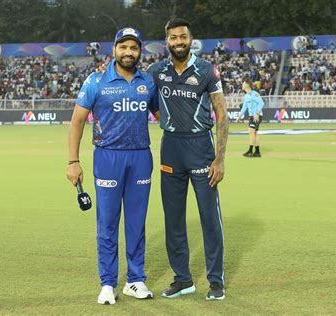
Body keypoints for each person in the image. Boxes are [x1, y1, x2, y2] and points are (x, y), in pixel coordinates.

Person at [66, 27, 159, 305]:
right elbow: (78, 122)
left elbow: (162, 115)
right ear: (114, 49)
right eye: (123, 47)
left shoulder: (148, 82)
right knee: (107, 222)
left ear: (140, 50)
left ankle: (135, 280)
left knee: (136, 223)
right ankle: (108, 283)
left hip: (141, 157)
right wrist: (73, 162)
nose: (128, 52)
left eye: (134, 47)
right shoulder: (96, 81)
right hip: (107, 158)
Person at [147, 18, 229, 300]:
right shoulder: (156, 71)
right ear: (166, 41)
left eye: (183, 37)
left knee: (209, 218)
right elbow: (147, 103)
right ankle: (183, 279)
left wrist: (219, 158)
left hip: (201, 149)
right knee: (173, 220)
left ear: (190, 39)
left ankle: (216, 281)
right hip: (171, 148)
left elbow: (222, 114)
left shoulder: (206, 70)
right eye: (173, 38)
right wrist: (167, 121)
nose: (178, 42)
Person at [236, 77, 264, 157]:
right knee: (254, 133)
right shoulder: (246, 96)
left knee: (251, 132)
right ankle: (257, 152)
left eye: (243, 83)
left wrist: (257, 113)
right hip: (252, 116)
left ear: (247, 85)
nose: (242, 84)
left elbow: (261, 103)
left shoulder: (254, 93)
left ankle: (250, 151)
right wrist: (239, 116)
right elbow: (244, 107)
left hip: (257, 116)